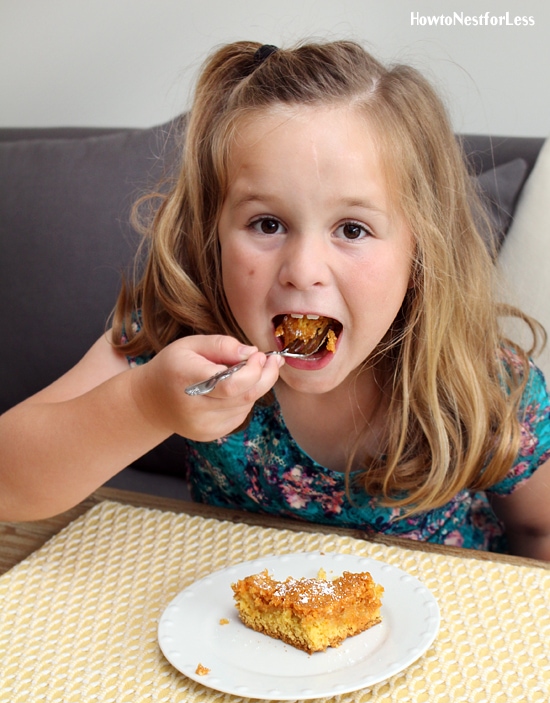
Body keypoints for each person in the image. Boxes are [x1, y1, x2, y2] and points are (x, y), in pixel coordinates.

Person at [1, 41, 549, 560]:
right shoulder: (181, 334)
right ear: (212, 234)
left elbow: (540, 530)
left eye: (353, 230)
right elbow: (8, 486)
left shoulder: (485, 382)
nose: (304, 271)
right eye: (268, 223)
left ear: (421, 252)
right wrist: (145, 404)